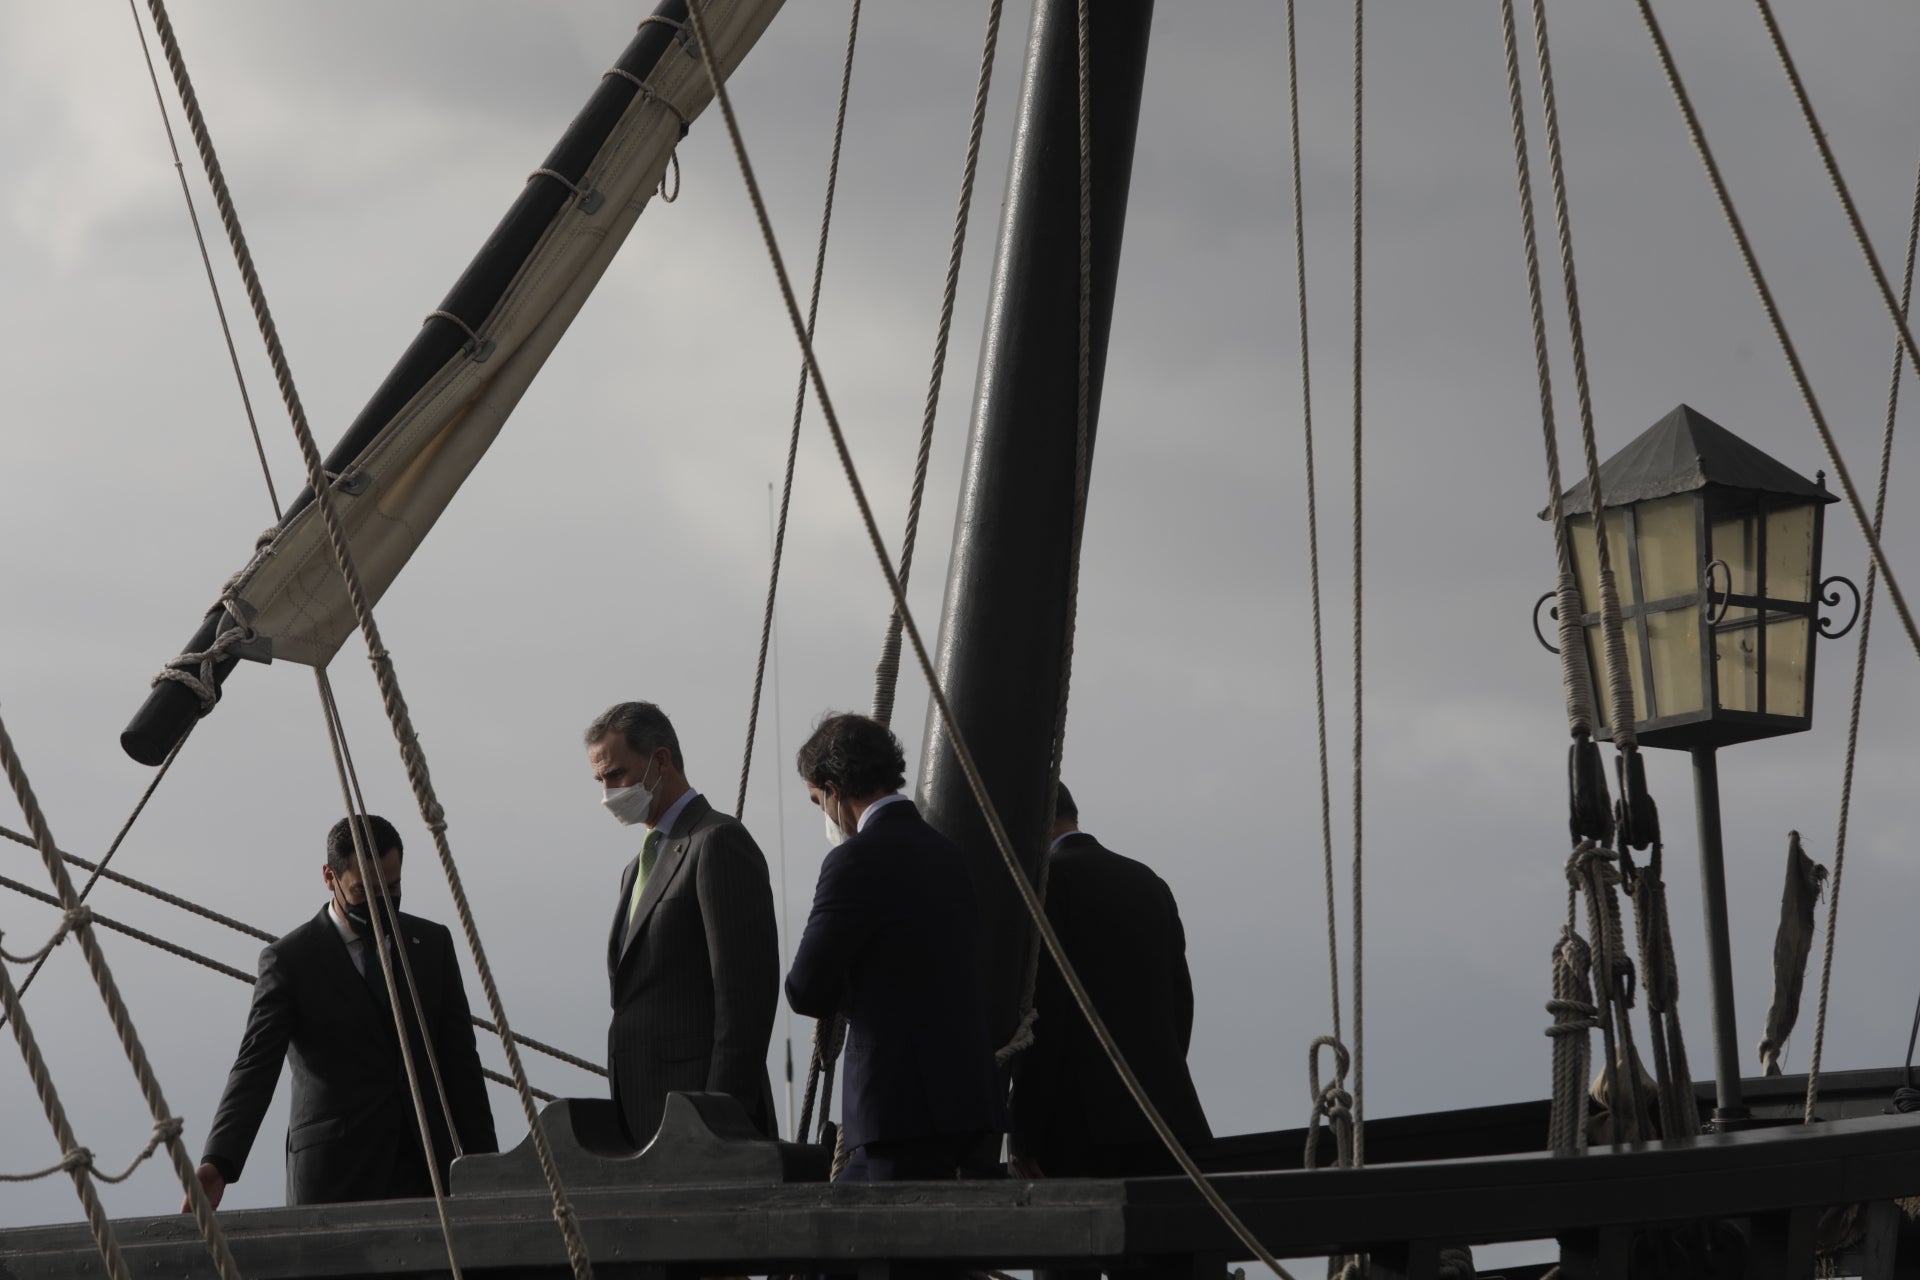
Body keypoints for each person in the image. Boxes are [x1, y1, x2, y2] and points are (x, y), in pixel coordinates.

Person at [189, 815, 497, 1210]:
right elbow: (255, 1066)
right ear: (329, 877)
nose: (382, 903)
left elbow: (462, 1066)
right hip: (332, 1178)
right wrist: (219, 1162)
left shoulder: (431, 945)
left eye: (393, 887)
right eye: (365, 892)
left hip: (426, 1173)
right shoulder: (290, 961)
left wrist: (488, 1169)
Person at [785, 712, 1005, 1181]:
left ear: (831, 790)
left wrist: (856, 987)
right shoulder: (948, 854)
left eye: (816, 801)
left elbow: (805, 989)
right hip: (965, 1104)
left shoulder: (852, 861)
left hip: (895, 1109)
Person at [587, 700, 779, 1145]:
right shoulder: (635, 870)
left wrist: (716, 1119)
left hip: (702, 1125)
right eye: (599, 780)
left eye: (615, 775)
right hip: (641, 1122)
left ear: (660, 760)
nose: (607, 793)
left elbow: (744, 1000)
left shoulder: (718, 842)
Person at [1009, 783, 1211, 1179]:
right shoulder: (1148, 881)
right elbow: (1180, 1002)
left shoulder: (1046, 887)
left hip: (1081, 1130)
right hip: (1166, 1118)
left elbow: (1043, 1016)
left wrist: (1024, 1132)